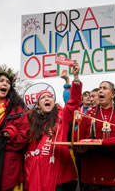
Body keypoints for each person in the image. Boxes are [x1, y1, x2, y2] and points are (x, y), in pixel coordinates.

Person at [24, 62, 82, 191]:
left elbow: (74, 102)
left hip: (60, 176)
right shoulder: (31, 120)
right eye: (43, 98)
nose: (47, 99)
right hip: (36, 173)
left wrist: (75, 77)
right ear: (38, 105)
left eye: (49, 97)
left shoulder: (63, 115)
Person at [78, 80, 115, 191]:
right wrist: (80, 149)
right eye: (99, 88)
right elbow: (80, 139)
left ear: (113, 94)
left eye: (104, 88)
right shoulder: (89, 115)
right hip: (93, 172)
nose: (100, 91)